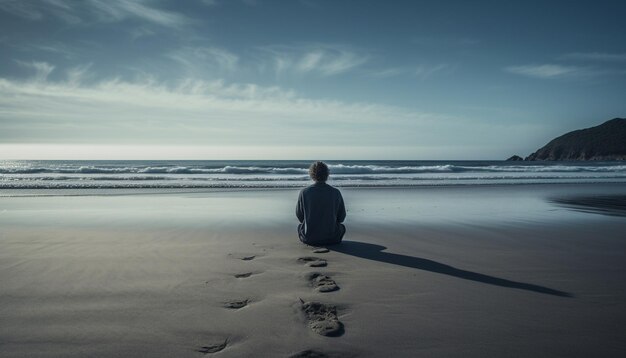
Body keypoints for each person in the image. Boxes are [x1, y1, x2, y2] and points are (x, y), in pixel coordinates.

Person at [296, 161, 346, 245]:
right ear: (327, 174)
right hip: (332, 239)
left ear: (312, 175)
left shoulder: (304, 192)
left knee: (299, 227)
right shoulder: (336, 192)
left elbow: (300, 217)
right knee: (342, 227)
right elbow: (341, 218)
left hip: (309, 238)